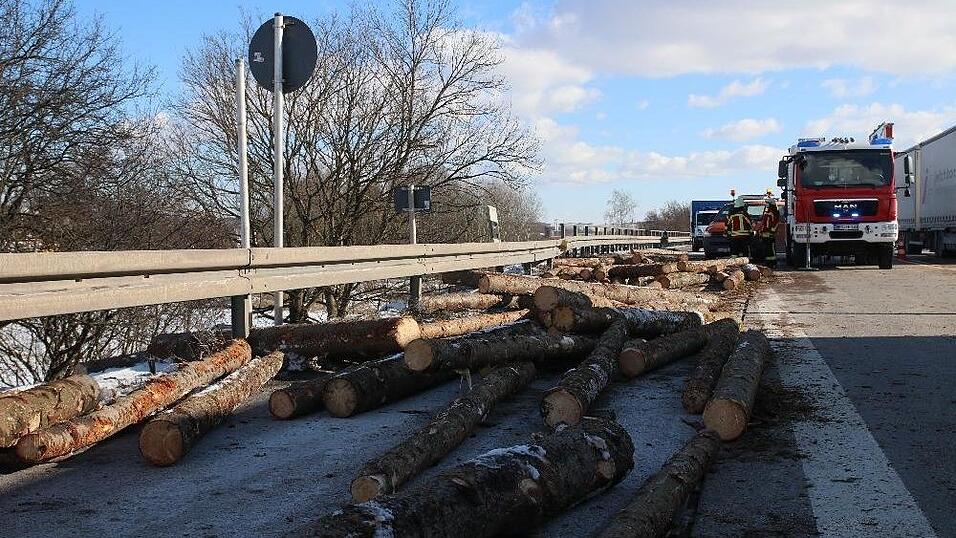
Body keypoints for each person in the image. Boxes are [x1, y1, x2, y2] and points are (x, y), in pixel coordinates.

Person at [757, 198, 780, 266]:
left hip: (770, 234)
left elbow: (776, 222)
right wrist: (761, 230)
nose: (766, 204)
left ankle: (772, 263)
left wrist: (772, 230)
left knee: (771, 249)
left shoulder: (774, 212)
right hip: (765, 233)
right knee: (766, 249)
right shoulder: (767, 211)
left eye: (768, 203)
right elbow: (764, 223)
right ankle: (768, 262)